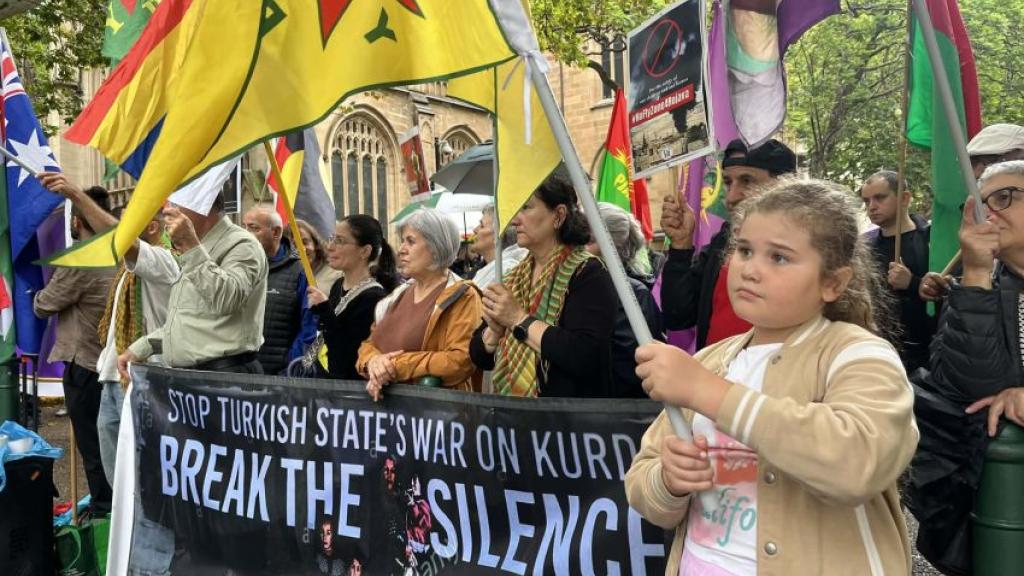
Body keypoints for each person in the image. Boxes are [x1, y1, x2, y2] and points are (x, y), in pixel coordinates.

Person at [626, 180, 917, 574]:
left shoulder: (857, 354)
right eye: (744, 250)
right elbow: (644, 480)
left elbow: (858, 461)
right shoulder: (711, 360)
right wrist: (669, 481)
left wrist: (707, 392)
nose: (750, 269)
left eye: (779, 258)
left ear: (833, 283)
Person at [909, 161, 1024, 571]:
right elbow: (965, 389)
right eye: (980, 204)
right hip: (996, 498)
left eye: (1005, 197)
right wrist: (975, 273)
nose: (989, 212)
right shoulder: (979, 283)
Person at [38, 172, 180, 486]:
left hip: (145, 381)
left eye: (128, 222)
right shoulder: (124, 269)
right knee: (117, 478)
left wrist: (77, 196)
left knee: (146, 478)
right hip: (112, 378)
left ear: (153, 227)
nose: (118, 225)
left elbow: (120, 239)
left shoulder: (165, 262)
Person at [469, 172, 617, 398]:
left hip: (572, 423)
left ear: (558, 215)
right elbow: (479, 355)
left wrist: (518, 320)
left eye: (527, 207)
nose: (516, 219)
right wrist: (494, 331)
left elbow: (584, 356)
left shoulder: (589, 273)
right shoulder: (513, 278)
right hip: (517, 423)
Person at [660, 138, 796, 350]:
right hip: (714, 376)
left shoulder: (811, 246)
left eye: (747, 181)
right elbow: (679, 315)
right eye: (728, 182)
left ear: (784, 185)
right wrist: (681, 245)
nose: (731, 197)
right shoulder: (722, 241)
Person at [33, 185, 117, 516]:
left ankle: (102, 511)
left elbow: (44, 304)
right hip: (111, 362)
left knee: (94, 449)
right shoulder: (120, 250)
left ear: (78, 221)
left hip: (84, 364)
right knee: (108, 445)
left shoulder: (82, 260)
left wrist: (38, 295)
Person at [118, 194, 268, 377]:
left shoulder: (242, 244)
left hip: (225, 378)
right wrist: (144, 347)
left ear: (201, 205)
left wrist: (190, 245)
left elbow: (228, 299)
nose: (167, 211)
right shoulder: (199, 247)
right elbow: (190, 321)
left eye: (176, 204)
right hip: (195, 379)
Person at [356, 208, 482, 398]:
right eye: (402, 241)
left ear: (435, 247)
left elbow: (460, 361)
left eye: (411, 241)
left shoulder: (463, 296)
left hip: (438, 418)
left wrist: (394, 365)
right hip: (391, 417)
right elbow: (368, 345)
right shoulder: (396, 296)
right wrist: (373, 362)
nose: (401, 250)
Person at [920, 123, 1024, 303]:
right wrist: (959, 292)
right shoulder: (985, 261)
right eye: (972, 163)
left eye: (993, 160)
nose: (978, 171)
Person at [586, 202, 665, 397]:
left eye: (587, 241)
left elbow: (633, 366)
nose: (576, 249)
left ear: (613, 247)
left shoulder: (635, 295)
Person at [860, 170, 934, 373]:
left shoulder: (931, 240)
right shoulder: (863, 247)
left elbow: (952, 293)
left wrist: (912, 283)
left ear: (904, 198)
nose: (872, 207)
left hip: (928, 354)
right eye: (866, 201)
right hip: (880, 352)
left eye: (880, 198)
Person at [307, 215, 398, 380]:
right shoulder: (338, 285)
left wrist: (325, 311)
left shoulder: (374, 298)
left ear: (365, 251)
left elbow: (348, 357)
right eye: (332, 238)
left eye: (340, 241)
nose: (330, 246)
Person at [243, 205, 317, 374]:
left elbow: (311, 331)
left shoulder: (300, 271)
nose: (245, 234)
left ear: (276, 232)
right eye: (243, 227)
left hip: (280, 381)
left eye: (253, 228)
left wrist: (293, 371)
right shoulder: (236, 266)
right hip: (240, 376)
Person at [469, 204, 527, 289]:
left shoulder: (505, 271)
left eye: (482, 225)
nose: (475, 230)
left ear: (499, 235)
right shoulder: (491, 268)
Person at [296, 218, 345, 291]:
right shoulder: (284, 276)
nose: (301, 249)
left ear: (315, 244)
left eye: (305, 242)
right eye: (294, 245)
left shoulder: (337, 275)